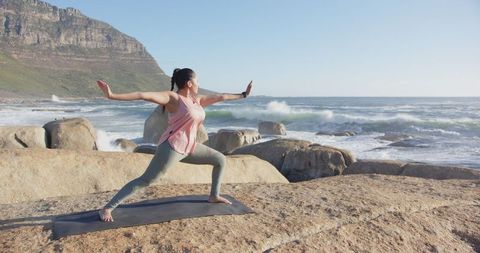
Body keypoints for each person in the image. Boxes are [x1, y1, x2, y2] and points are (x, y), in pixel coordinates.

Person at [96, 68, 252, 222]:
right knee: (147, 180)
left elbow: (221, 96)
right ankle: (107, 208)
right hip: (172, 147)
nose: (199, 84)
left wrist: (244, 95)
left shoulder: (197, 100)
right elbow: (143, 95)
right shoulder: (173, 98)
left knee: (220, 159)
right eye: (197, 81)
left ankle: (214, 196)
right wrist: (112, 95)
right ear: (189, 83)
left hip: (191, 147)